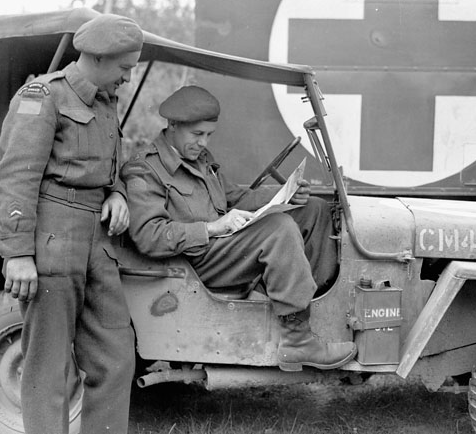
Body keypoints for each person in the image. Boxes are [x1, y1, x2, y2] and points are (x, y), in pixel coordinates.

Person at [122, 85, 357, 372]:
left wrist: (286, 193)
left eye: (209, 135)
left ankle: (307, 312)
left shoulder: (200, 160)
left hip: (222, 249)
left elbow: (234, 198)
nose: (203, 142)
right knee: (278, 228)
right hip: (194, 261)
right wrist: (211, 227)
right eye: (197, 134)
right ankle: (297, 341)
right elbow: (149, 236)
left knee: (313, 209)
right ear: (172, 125)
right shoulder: (145, 170)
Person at [0, 14, 143, 434]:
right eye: (124, 67)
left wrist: (117, 193)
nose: (128, 78)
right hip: (54, 238)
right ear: (96, 57)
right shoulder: (44, 95)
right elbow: (15, 177)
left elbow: (110, 166)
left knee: (115, 358)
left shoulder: (107, 101)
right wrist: (18, 254)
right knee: (49, 365)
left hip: (98, 241)